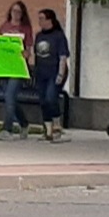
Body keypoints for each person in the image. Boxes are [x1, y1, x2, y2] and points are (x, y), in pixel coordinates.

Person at [0, 0, 38, 138]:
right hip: (4, 67)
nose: (16, 14)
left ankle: (7, 129)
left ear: (23, 14)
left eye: (19, 11)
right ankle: (24, 123)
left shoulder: (25, 28)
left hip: (18, 68)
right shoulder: (4, 27)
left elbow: (28, 48)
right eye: (14, 11)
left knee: (9, 96)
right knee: (11, 98)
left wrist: (26, 54)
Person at [32, 8, 71, 141]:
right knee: (43, 101)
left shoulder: (58, 36)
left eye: (42, 18)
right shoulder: (39, 36)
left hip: (55, 72)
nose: (40, 22)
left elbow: (63, 56)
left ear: (50, 20)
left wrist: (61, 74)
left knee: (51, 98)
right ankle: (47, 130)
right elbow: (37, 55)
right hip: (41, 72)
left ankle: (57, 126)